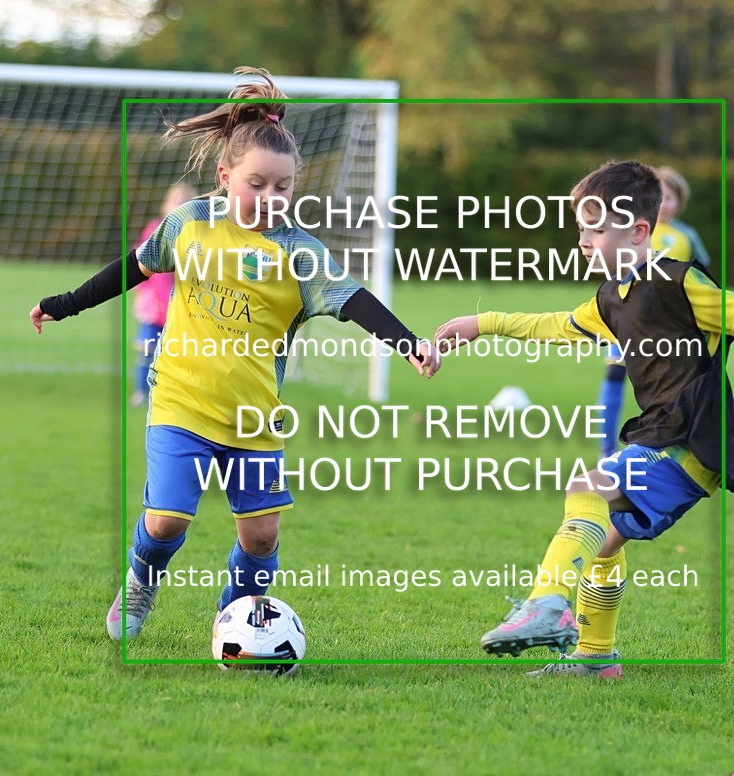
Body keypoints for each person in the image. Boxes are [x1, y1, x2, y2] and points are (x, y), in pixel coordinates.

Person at [435, 160, 734, 678]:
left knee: (587, 487)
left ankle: (546, 604)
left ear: (638, 231)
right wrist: (485, 322)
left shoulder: (678, 284)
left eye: (596, 228)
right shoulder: (612, 297)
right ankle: (595, 658)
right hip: (660, 431)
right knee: (605, 537)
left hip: (690, 436)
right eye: (581, 228)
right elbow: (556, 325)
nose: (584, 240)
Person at [29, 67, 440, 642]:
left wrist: (410, 343)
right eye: (257, 184)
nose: (271, 197)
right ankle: (142, 581)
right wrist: (64, 303)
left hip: (253, 419)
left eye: (283, 187)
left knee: (261, 538)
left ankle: (237, 618)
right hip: (182, 403)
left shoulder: (299, 251)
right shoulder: (191, 223)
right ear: (225, 176)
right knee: (168, 518)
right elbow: (135, 266)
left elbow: (355, 302)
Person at [595, 165, 710, 459]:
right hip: (625, 317)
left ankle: (664, 447)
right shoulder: (628, 228)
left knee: (667, 384)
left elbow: (702, 278)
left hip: (668, 326)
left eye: (668, 197)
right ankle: (606, 449)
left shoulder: (686, 237)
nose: (663, 203)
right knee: (614, 376)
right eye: (657, 197)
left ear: (679, 201)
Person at [131, 183, 198, 407]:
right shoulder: (155, 230)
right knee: (148, 351)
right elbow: (143, 268)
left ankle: (175, 397)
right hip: (155, 307)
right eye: (175, 201)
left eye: (185, 201)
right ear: (166, 205)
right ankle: (142, 392)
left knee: (180, 355)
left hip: (183, 307)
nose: (179, 205)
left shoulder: (198, 235)